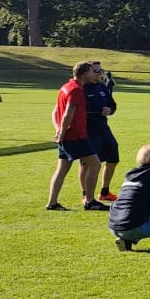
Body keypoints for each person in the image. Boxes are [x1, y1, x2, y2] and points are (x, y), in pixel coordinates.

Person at [47, 60, 101, 211]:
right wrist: (62, 132)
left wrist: (58, 131)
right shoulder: (77, 89)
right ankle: (90, 201)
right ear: (84, 73)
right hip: (76, 136)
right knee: (95, 164)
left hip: (66, 136)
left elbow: (55, 111)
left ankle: (52, 203)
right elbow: (67, 114)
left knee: (61, 169)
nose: (94, 73)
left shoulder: (65, 87)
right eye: (91, 71)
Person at [86, 61, 122, 203]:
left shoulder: (102, 87)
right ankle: (86, 194)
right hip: (89, 129)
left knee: (113, 157)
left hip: (103, 128)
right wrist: (97, 111)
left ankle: (104, 192)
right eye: (96, 71)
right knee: (87, 163)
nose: (99, 73)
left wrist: (110, 110)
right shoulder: (82, 88)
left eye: (100, 70)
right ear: (88, 73)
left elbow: (112, 105)